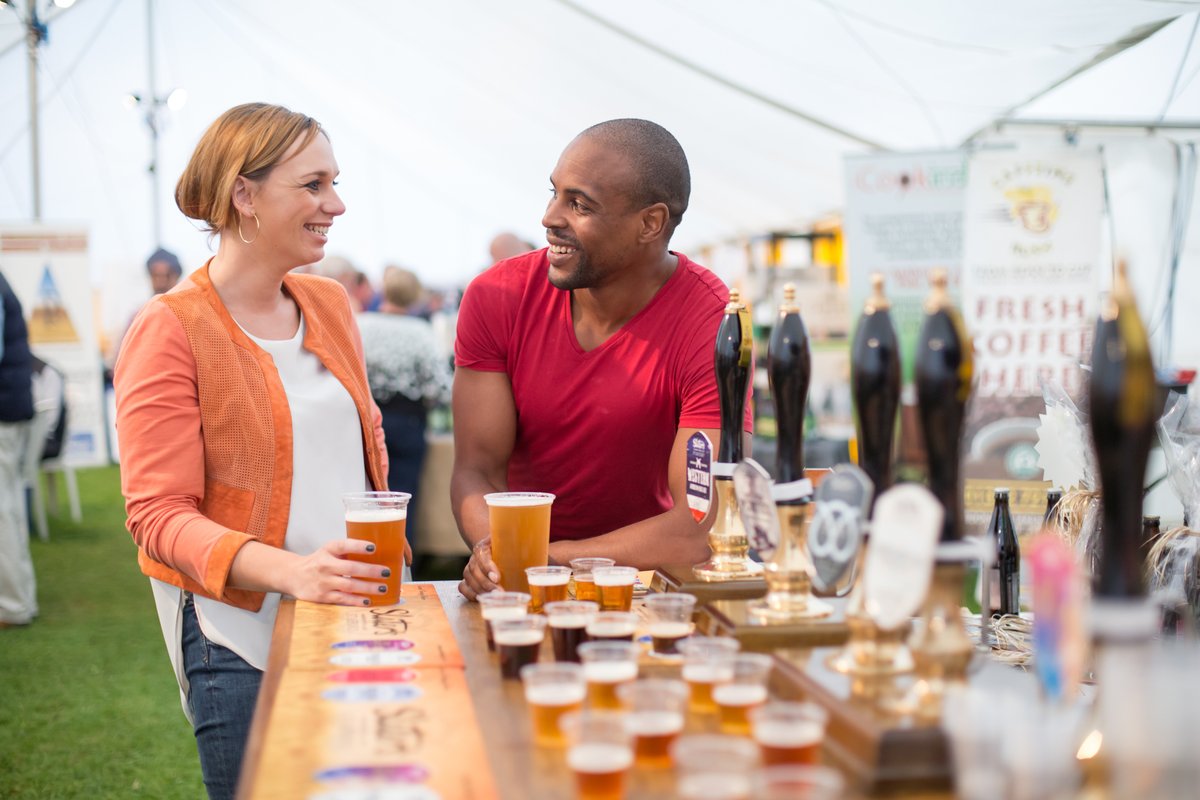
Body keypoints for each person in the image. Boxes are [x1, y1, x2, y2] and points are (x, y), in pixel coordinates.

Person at [114, 102, 405, 800]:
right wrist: (294, 571)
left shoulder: (330, 303)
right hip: (240, 641)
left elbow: (358, 457)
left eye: (333, 182)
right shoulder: (168, 327)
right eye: (312, 185)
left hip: (358, 614)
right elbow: (156, 513)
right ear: (243, 194)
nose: (335, 203)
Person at [452, 119, 751, 600]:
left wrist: (543, 559)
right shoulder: (497, 295)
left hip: (644, 590)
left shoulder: (711, 319)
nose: (549, 217)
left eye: (579, 204)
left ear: (650, 223)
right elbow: (475, 471)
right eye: (553, 194)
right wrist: (499, 553)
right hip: (520, 588)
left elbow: (701, 522)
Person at [357, 266, 452, 565]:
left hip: (366, 422)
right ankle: (399, 567)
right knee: (401, 500)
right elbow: (440, 387)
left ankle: (363, 562)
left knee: (364, 495)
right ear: (413, 296)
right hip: (410, 423)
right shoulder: (421, 333)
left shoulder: (361, 325)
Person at [0, 270, 37, 629]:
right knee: (7, 508)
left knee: (3, 510)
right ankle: (18, 598)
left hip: (4, 412)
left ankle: (12, 605)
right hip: (10, 409)